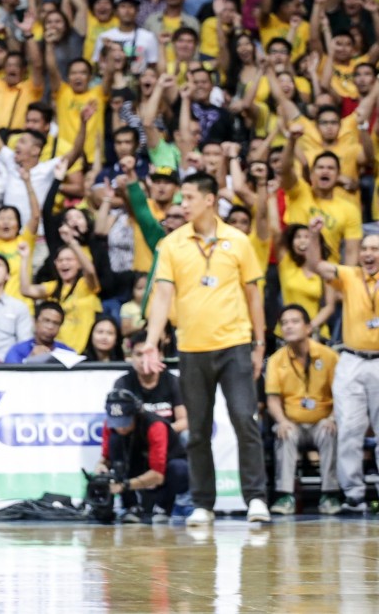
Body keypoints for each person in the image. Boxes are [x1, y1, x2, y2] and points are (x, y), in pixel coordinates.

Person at [140, 172, 270, 526]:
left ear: (209, 200)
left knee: (245, 420)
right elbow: (162, 295)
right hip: (192, 348)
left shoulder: (239, 241)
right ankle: (203, 503)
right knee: (197, 429)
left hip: (235, 345)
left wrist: (259, 344)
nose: (183, 205)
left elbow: (254, 295)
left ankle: (256, 499)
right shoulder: (172, 244)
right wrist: (151, 342)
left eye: (189, 198)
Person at [305, 217, 379, 513]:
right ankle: (354, 495)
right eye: (365, 249)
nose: (369, 254)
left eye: (375, 249)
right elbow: (316, 266)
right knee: (349, 429)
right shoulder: (349, 275)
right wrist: (313, 236)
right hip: (352, 360)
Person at [265, 304, 341, 516]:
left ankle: (330, 494)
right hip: (293, 422)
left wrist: (333, 418)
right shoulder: (275, 360)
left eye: (295, 321)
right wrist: (281, 420)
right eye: (284, 323)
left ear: (308, 328)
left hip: (321, 421)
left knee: (330, 431)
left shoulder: (329, 357)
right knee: (284, 433)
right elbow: (272, 400)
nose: (289, 326)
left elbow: (341, 395)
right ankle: (285, 496)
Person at [96, 388, 189, 523]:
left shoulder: (155, 425)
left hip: (163, 472)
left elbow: (158, 475)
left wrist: (124, 486)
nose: (120, 427)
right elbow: (106, 458)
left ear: (136, 414)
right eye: (116, 422)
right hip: (134, 466)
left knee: (178, 469)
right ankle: (130, 506)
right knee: (116, 443)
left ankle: (163, 505)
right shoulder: (110, 426)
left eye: (125, 422)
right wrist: (101, 467)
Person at [116, 331, 189, 438]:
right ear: (131, 357)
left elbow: (184, 420)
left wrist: (160, 431)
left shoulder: (173, 381)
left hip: (167, 437)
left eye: (149, 354)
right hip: (136, 439)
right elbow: (120, 424)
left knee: (187, 436)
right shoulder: (123, 383)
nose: (143, 360)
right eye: (139, 354)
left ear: (160, 355)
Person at [3, 301, 75, 364]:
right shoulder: (17, 351)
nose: (50, 326)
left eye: (56, 323)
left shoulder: (68, 354)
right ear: (35, 322)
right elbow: (10, 376)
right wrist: (29, 360)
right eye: (46, 320)